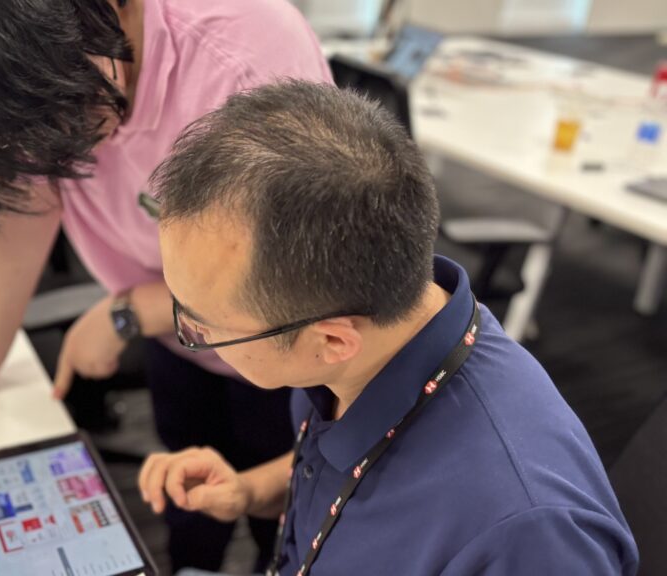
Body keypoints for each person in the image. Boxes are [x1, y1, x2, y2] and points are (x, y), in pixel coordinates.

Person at [0, 0, 331, 571]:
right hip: (180, 340)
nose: (43, 154)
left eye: (61, 122)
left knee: (284, 515)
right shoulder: (35, 63)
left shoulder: (246, 63)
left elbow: (300, 285)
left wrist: (129, 313)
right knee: (186, 486)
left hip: (289, 353)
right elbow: (19, 205)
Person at [139, 80, 639, 576]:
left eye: (202, 325)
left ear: (334, 341)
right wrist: (249, 492)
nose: (189, 330)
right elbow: (355, 488)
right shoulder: (372, 337)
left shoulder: (526, 535)